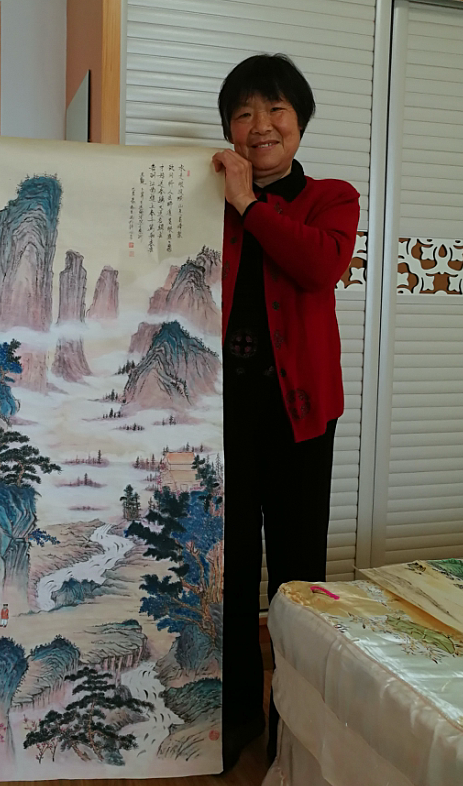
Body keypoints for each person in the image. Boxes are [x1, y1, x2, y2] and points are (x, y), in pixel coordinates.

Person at [211, 54, 360, 770]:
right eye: (244, 113)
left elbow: (318, 267)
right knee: (231, 574)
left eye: (275, 109)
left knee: (298, 581)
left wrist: (249, 204)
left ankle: (294, 728)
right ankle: (235, 717)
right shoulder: (204, 198)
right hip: (221, 419)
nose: (260, 125)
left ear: (299, 122)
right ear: (230, 130)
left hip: (300, 419)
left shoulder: (332, 198)